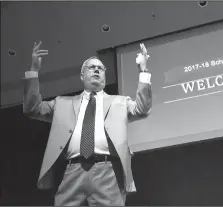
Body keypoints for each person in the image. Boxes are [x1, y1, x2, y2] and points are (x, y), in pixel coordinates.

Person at [23, 41, 152, 206]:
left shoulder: (120, 102)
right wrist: (33, 71)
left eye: (100, 68)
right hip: (71, 172)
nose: (97, 69)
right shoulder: (62, 103)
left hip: (108, 173)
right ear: (82, 76)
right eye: (91, 67)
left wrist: (143, 71)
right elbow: (32, 109)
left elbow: (142, 109)